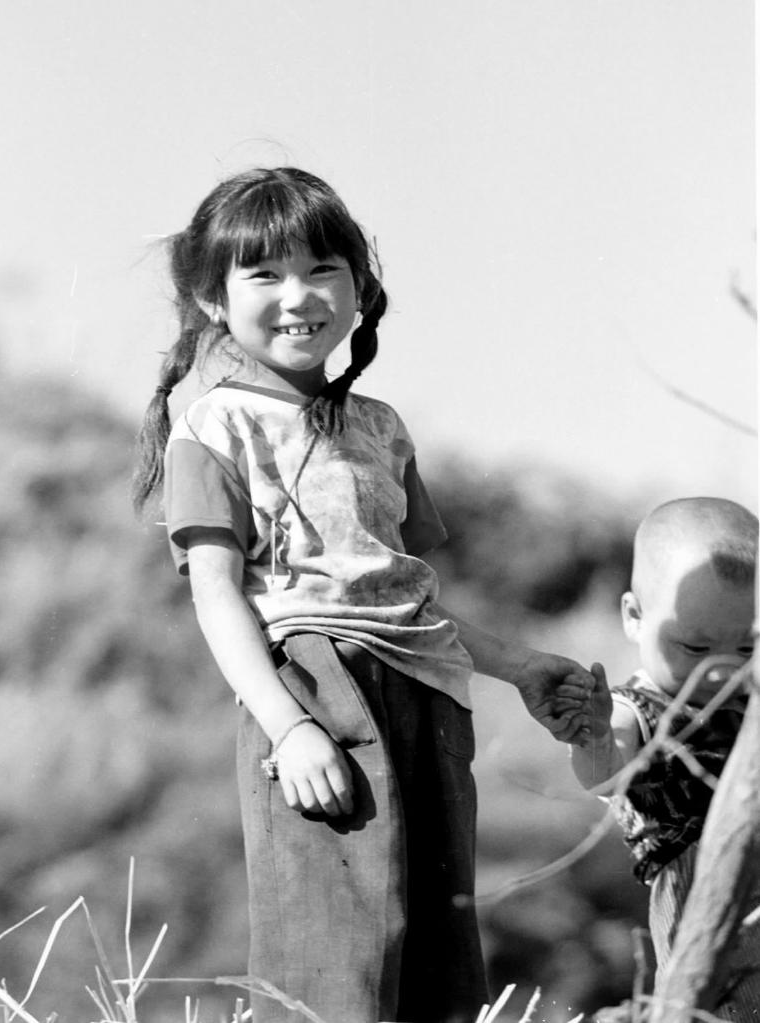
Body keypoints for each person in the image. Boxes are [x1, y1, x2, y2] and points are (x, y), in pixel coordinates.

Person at [133, 166, 594, 1023]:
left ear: (359, 286)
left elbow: (405, 599)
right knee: (335, 963)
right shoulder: (216, 426)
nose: (298, 295)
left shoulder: (382, 427)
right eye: (264, 274)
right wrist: (291, 727)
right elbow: (217, 598)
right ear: (210, 298)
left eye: (323, 269)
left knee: (439, 962)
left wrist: (523, 666)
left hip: (427, 697)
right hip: (318, 693)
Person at [570, 497, 760, 1019]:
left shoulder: (750, 700)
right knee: (719, 1008)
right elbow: (604, 775)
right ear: (634, 617)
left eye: (746, 648)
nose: (722, 667)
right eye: (695, 648)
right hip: (696, 887)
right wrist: (593, 737)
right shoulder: (634, 710)